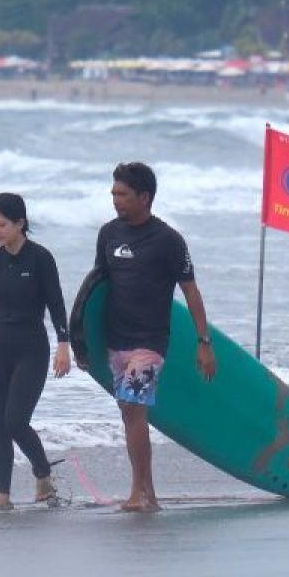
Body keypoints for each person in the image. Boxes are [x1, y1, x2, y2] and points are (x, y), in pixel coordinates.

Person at [85, 162, 216, 512]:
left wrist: (204, 343)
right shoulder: (108, 234)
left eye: (123, 194)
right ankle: (150, 494)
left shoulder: (168, 241)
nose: (115, 200)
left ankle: (138, 492)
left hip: (150, 342)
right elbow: (97, 288)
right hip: (116, 341)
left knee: (132, 407)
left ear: (145, 197)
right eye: (113, 193)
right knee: (130, 414)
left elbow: (190, 292)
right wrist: (84, 343)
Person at [0, 193, 71, 510]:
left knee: (15, 420)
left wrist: (64, 343)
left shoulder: (40, 258)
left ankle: (43, 472)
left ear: (20, 223)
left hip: (31, 346)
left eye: (1, 224)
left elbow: (56, 303)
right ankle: (2, 495)